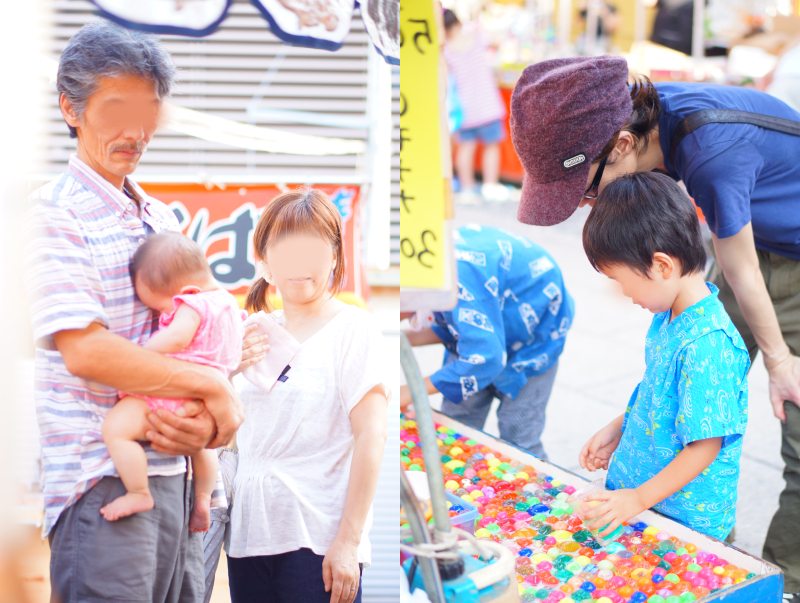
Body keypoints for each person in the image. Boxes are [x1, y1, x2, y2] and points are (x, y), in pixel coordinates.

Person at [510, 55, 800, 600]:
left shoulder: (711, 153)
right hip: (746, 242)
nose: (593, 205)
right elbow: (666, 377)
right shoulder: (674, 311)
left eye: (588, 191)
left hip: (787, 252)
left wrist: (781, 361)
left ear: (622, 144)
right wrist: (627, 421)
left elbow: (738, 269)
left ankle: (779, 586)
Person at [23, 22, 242, 603]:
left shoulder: (163, 221)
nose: (134, 131)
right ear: (70, 107)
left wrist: (209, 416)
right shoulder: (51, 213)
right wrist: (212, 391)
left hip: (178, 475)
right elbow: (87, 352)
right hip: (101, 480)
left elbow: (204, 329)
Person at [226, 189, 388, 603]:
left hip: (318, 540)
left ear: (334, 256)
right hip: (249, 538)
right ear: (264, 260)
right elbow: (227, 433)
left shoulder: (354, 329)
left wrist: (348, 543)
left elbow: (373, 437)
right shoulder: (251, 333)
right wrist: (224, 369)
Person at [578, 172, 749, 540]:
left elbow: (705, 444)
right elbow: (660, 390)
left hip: (683, 516)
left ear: (661, 266)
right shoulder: (668, 315)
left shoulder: (708, 345)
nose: (624, 293)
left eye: (623, 281)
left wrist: (637, 498)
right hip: (649, 499)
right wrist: (619, 426)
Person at [100, 232, 243, 529]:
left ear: (187, 291)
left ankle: (138, 492)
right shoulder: (229, 305)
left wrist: (141, 353)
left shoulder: (192, 304)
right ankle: (204, 499)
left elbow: (178, 337)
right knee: (201, 447)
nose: (165, 314)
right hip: (203, 398)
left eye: (164, 309)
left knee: (115, 429)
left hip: (174, 391)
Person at [400, 224, 574, 460]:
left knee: (519, 435)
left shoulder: (456, 281)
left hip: (532, 342)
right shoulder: (424, 278)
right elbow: (452, 326)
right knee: (456, 428)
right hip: (483, 336)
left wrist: (411, 391)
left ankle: (543, 494)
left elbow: (485, 358)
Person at [443, 9, 509, 203]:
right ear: (457, 23)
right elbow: (497, 42)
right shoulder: (476, 38)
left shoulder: (446, 50)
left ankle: (467, 187)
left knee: (466, 148)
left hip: (466, 108)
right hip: (487, 104)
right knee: (491, 147)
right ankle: (490, 185)